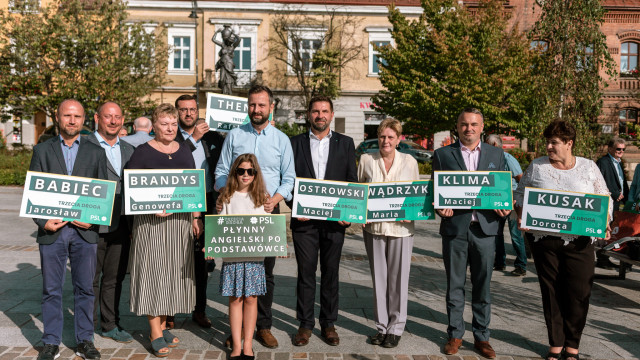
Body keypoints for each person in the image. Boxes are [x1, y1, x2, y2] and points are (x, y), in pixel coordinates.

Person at [515, 120, 612, 360]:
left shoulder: (588, 167)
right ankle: (556, 344)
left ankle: (572, 346)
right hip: (544, 242)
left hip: (580, 242)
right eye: (547, 141)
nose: (548, 146)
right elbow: (519, 195)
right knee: (551, 292)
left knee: (579, 293)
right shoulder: (537, 167)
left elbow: (605, 198)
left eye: (554, 142)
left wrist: (605, 222)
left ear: (569, 144)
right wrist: (521, 216)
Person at [215, 84, 295, 349]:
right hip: (236, 211)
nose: (256, 109)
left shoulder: (281, 139)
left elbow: (289, 178)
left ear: (271, 107)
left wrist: (275, 199)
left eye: (261, 105)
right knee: (236, 275)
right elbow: (221, 171)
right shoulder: (234, 136)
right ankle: (237, 333)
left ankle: (263, 326)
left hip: (267, 212)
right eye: (252, 105)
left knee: (265, 274)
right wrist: (227, 192)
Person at [29, 99, 108, 360]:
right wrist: (43, 222)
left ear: (85, 119)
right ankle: (50, 341)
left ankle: (85, 339)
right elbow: (34, 193)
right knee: (51, 289)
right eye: (67, 115)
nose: (72, 120)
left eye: (77, 116)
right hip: (53, 231)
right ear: (57, 117)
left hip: (85, 232)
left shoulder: (95, 150)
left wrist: (94, 220)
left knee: (85, 288)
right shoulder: (43, 150)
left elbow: (103, 190)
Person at [127, 104, 202, 358]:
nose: (169, 128)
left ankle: (161, 325)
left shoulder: (184, 150)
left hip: (179, 222)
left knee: (172, 274)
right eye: (164, 124)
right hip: (151, 224)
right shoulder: (141, 152)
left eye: (173, 124)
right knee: (152, 272)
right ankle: (155, 332)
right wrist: (149, 208)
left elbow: (193, 185)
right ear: (153, 126)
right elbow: (132, 191)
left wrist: (195, 217)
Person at [433, 108, 508, 359]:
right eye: (464, 124)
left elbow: (503, 188)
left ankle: (482, 336)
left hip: (485, 229)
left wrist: (505, 207)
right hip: (455, 229)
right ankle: (455, 334)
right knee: (455, 284)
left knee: (483, 285)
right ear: (457, 126)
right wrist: (439, 207)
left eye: (474, 124)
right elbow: (435, 190)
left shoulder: (496, 154)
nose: (469, 129)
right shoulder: (443, 154)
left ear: (482, 126)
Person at [289, 96, 357, 347]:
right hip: (304, 221)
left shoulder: (346, 143)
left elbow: (352, 180)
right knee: (306, 274)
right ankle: (305, 324)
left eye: (324, 111)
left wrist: (348, 214)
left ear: (331, 114)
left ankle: (328, 323)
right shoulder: (293, 143)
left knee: (331, 273)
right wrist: (295, 206)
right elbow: (288, 181)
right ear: (308, 114)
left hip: (333, 223)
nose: (320, 115)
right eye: (315, 111)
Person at [357, 118, 419, 348]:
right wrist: (359, 214)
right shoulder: (366, 159)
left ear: (399, 139)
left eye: (391, 137)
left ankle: (396, 328)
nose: (386, 141)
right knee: (380, 280)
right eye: (383, 136)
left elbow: (416, 194)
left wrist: (412, 212)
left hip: (401, 229)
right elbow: (358, 190)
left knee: (398, 280)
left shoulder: (409, 161)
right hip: (374, 228)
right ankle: (381, 327)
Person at [168, 94, 225, 330]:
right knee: (173, 260)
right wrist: (193, 139)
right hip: (179, 203)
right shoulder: (171, 135)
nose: (189, 113)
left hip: (207, 202)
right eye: (183, 110)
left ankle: (199, 310)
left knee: (203, 260)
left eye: (192, 109)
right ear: (177, 112)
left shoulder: (212, 136)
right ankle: (168, 310)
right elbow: (171, 161)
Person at [211, 153, 269, 360]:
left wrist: (277, 246)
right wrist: (211, 247)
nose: (245, 175)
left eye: (250, 171)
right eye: (241, 171)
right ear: (235, 172)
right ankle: (236, 346)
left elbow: (268, 229)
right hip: (232, 258)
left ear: (255, 174)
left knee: (251, 300)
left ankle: (248, 346)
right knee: (235, 300)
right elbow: (220, 227)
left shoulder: (262, 198)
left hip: (255, 258)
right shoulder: (226, 196)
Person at [87, 102, 135, 343]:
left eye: (117, 117)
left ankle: (109, 324)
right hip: (90, 224)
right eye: (108, 117)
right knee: (89, 279)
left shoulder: (129, 149)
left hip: (121, 223)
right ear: (97, 118)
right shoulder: (85, 145)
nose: (113, 121)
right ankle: (85, 328)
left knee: (114, 278)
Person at [484, 134, 527, 276]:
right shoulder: (487, 160)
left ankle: (521, 265)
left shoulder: (508, 159)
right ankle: (500, 262)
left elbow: (521, 179)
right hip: (497, 198)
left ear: (495, 145)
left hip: (512, 198)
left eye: (486, 144)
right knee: (497, 232)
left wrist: (516, 199)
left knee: (515, 234)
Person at [595, 138, 628, 270]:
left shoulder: (618, 163)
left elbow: (622, 182)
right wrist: (614, 193)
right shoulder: (603, 162)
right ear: (610, 149)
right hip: (607, 202)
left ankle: (605, 257)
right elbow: (600, 181)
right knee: (604, 228)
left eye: (623, 149)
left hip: (617, 202)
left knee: (611, 230)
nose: (621, 151)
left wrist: (627, 198)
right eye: (618, 149)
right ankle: (602, 259)